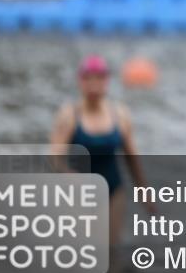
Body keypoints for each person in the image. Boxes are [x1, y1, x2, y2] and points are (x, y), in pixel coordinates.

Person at [50, 55, 155, 249]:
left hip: (113, 190)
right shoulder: (69, 115)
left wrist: (144, 193)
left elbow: (132, 159)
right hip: (79, 194)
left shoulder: (120, 115)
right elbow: (55, 157)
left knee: (110, 250)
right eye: (87, 79)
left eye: (98, 79)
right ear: (80, 81)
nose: (93, 85)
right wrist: (68, 175)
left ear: (106, 81)